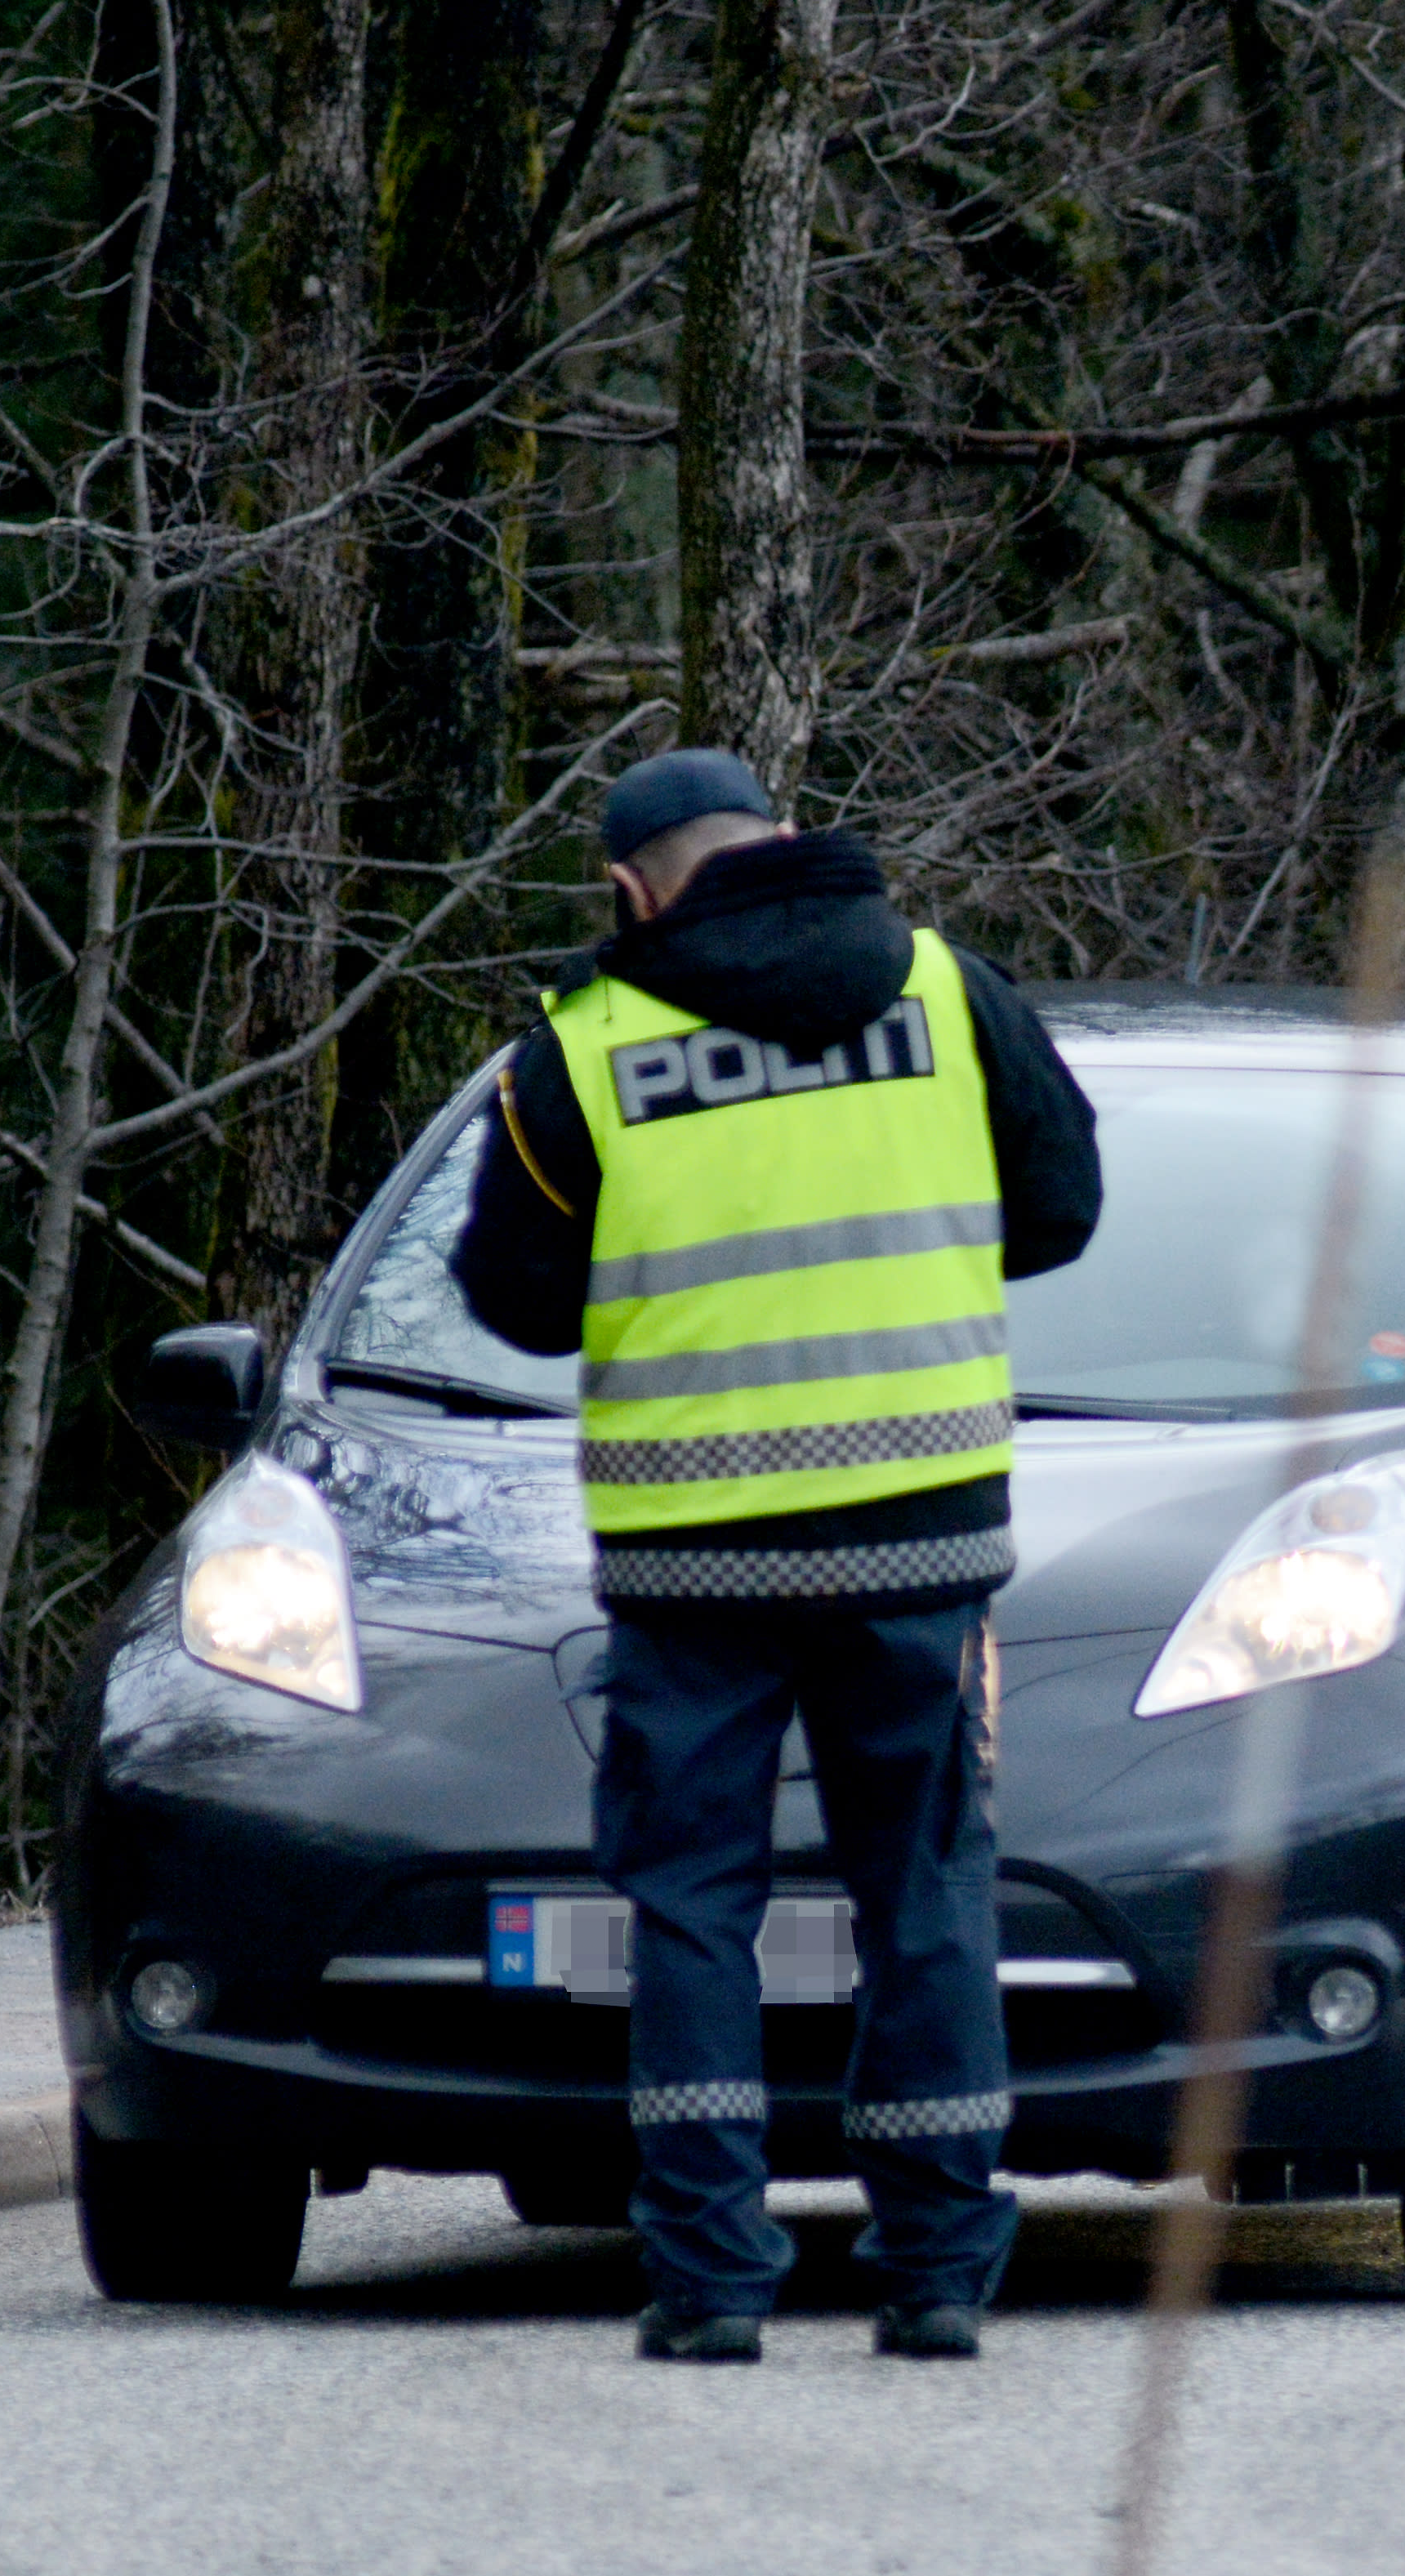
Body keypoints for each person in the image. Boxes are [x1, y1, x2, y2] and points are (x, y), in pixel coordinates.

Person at [456, 747, 1107, 2358]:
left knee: (690, 1903)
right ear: (792, 838)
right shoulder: (952, 995)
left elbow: (518, 1296)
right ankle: (943, 2270)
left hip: (696, 1554)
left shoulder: (584, 1052)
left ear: (629, 888)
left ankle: (710, 2282)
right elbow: (1064, 1203)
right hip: (918, 1536)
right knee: (928, 1890)